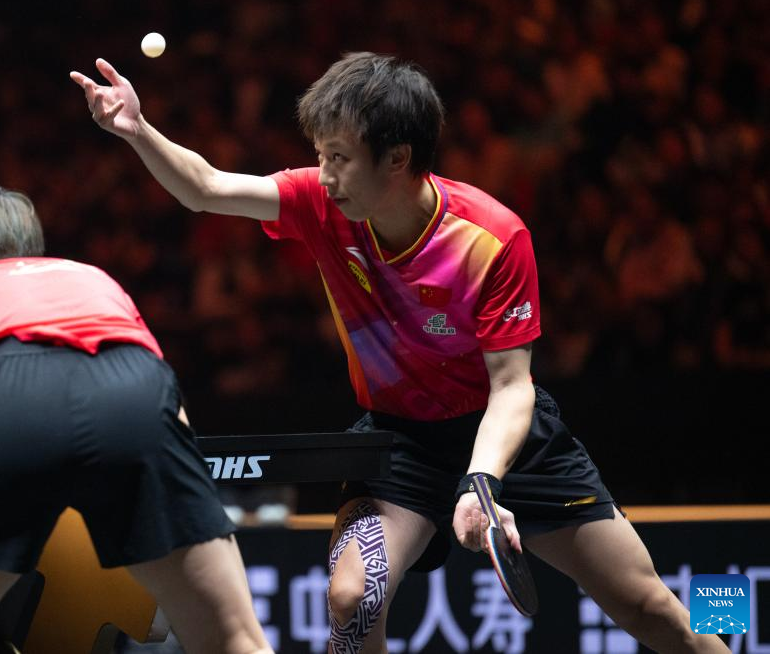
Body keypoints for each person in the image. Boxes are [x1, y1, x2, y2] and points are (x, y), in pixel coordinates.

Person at [70, 53, 729, 653]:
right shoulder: (318, 203)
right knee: (352, 600)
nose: (324, 175)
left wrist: (482, 482)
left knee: (651, 608)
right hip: (397, 446)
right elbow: (207, 188)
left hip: (506, 442)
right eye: (320, 155)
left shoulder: (492, 239)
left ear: (397, 158)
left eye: (339, 157)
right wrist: (138, 130)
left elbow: (512, 387)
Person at [0, 182, 272, 654]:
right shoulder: (89, 276)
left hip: (11, 396)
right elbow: (161, 388)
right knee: (234, 640)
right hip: (133, 396)